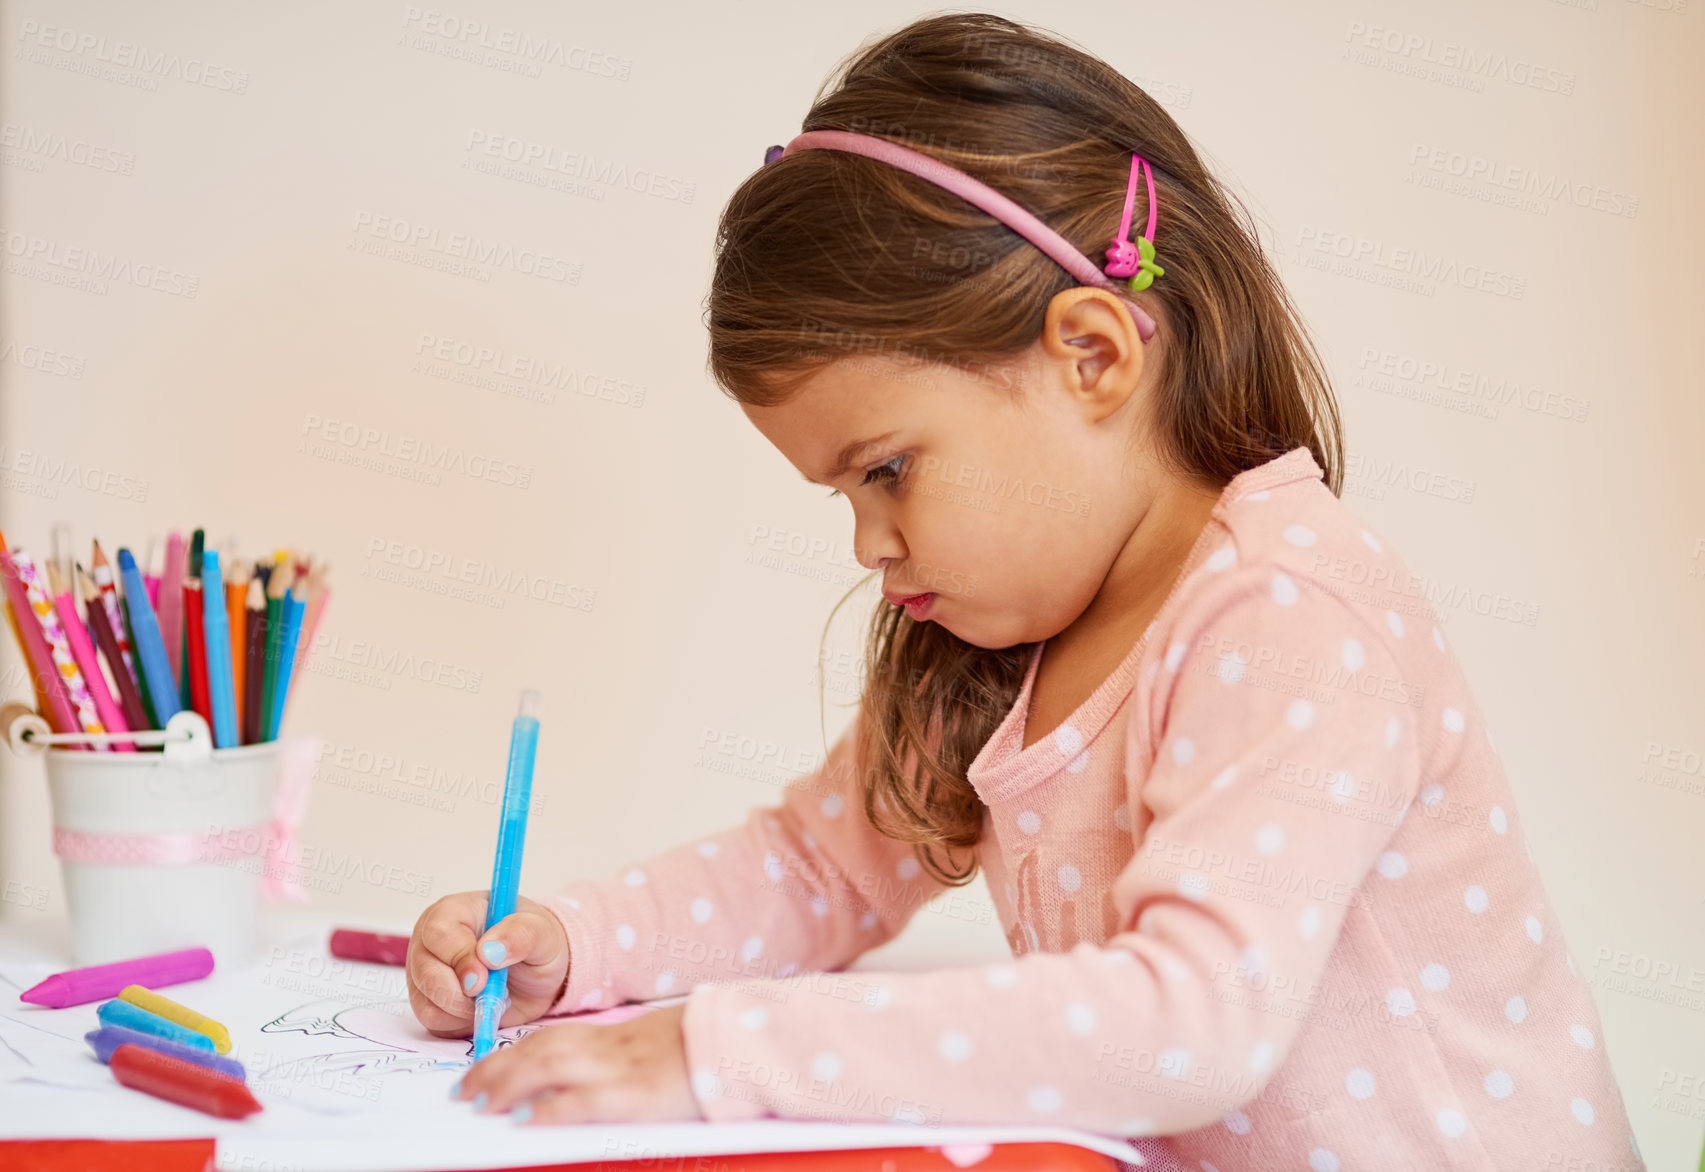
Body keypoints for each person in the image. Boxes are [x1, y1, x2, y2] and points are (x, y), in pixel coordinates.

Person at [407, 14, 1643, 1169]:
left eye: (886, 470)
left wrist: (718, 1053)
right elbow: (813, 867)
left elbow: (1191, 1016)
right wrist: (569, 945)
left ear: (1093, 355)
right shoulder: (999, 649)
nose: (867, 544)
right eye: (842, 495)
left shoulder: (1289, 612)